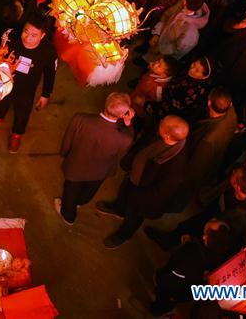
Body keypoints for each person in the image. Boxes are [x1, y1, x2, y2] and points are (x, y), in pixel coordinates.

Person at [97, 115, 190, 248]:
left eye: (163, 122)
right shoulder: (161, 135)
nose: (161, 120)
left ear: (167, 135)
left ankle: (123, 235)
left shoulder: (176, 166)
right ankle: (118, 208)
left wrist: (137, 196)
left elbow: (160, 192)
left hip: (143, 194)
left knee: (134, 217)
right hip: (133, 178)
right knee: (123, 194)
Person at [56, 92, 135, 224]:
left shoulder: (80, 119)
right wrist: (128, 124)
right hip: (101, 170)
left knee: (70, 190)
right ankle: (80, 202)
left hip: (76, 165)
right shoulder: (125, 137)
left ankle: (68, 215)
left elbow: (67, 140)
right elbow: (126, 145)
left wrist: (64, 154)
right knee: (90, 189)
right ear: (123, 115)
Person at [0, 13, 57, 153]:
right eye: (25, 31)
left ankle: (16, 135)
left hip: (27, 88)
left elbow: (50, 74)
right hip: (5, 80)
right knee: (0, 101)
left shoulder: (49, 51)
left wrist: (45, 94)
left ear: (42, 36)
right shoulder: (11, 36)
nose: (27, 38)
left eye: (34, 35)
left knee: (22, 112)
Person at [148, 219, 235, 316]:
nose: (213, 219)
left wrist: (159, 278)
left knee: (163, 300)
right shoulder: (219, 252)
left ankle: (156, 310)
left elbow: (173, 279)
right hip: (188, 291)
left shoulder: (191, 257)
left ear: (205, 237)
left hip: (175, 289)